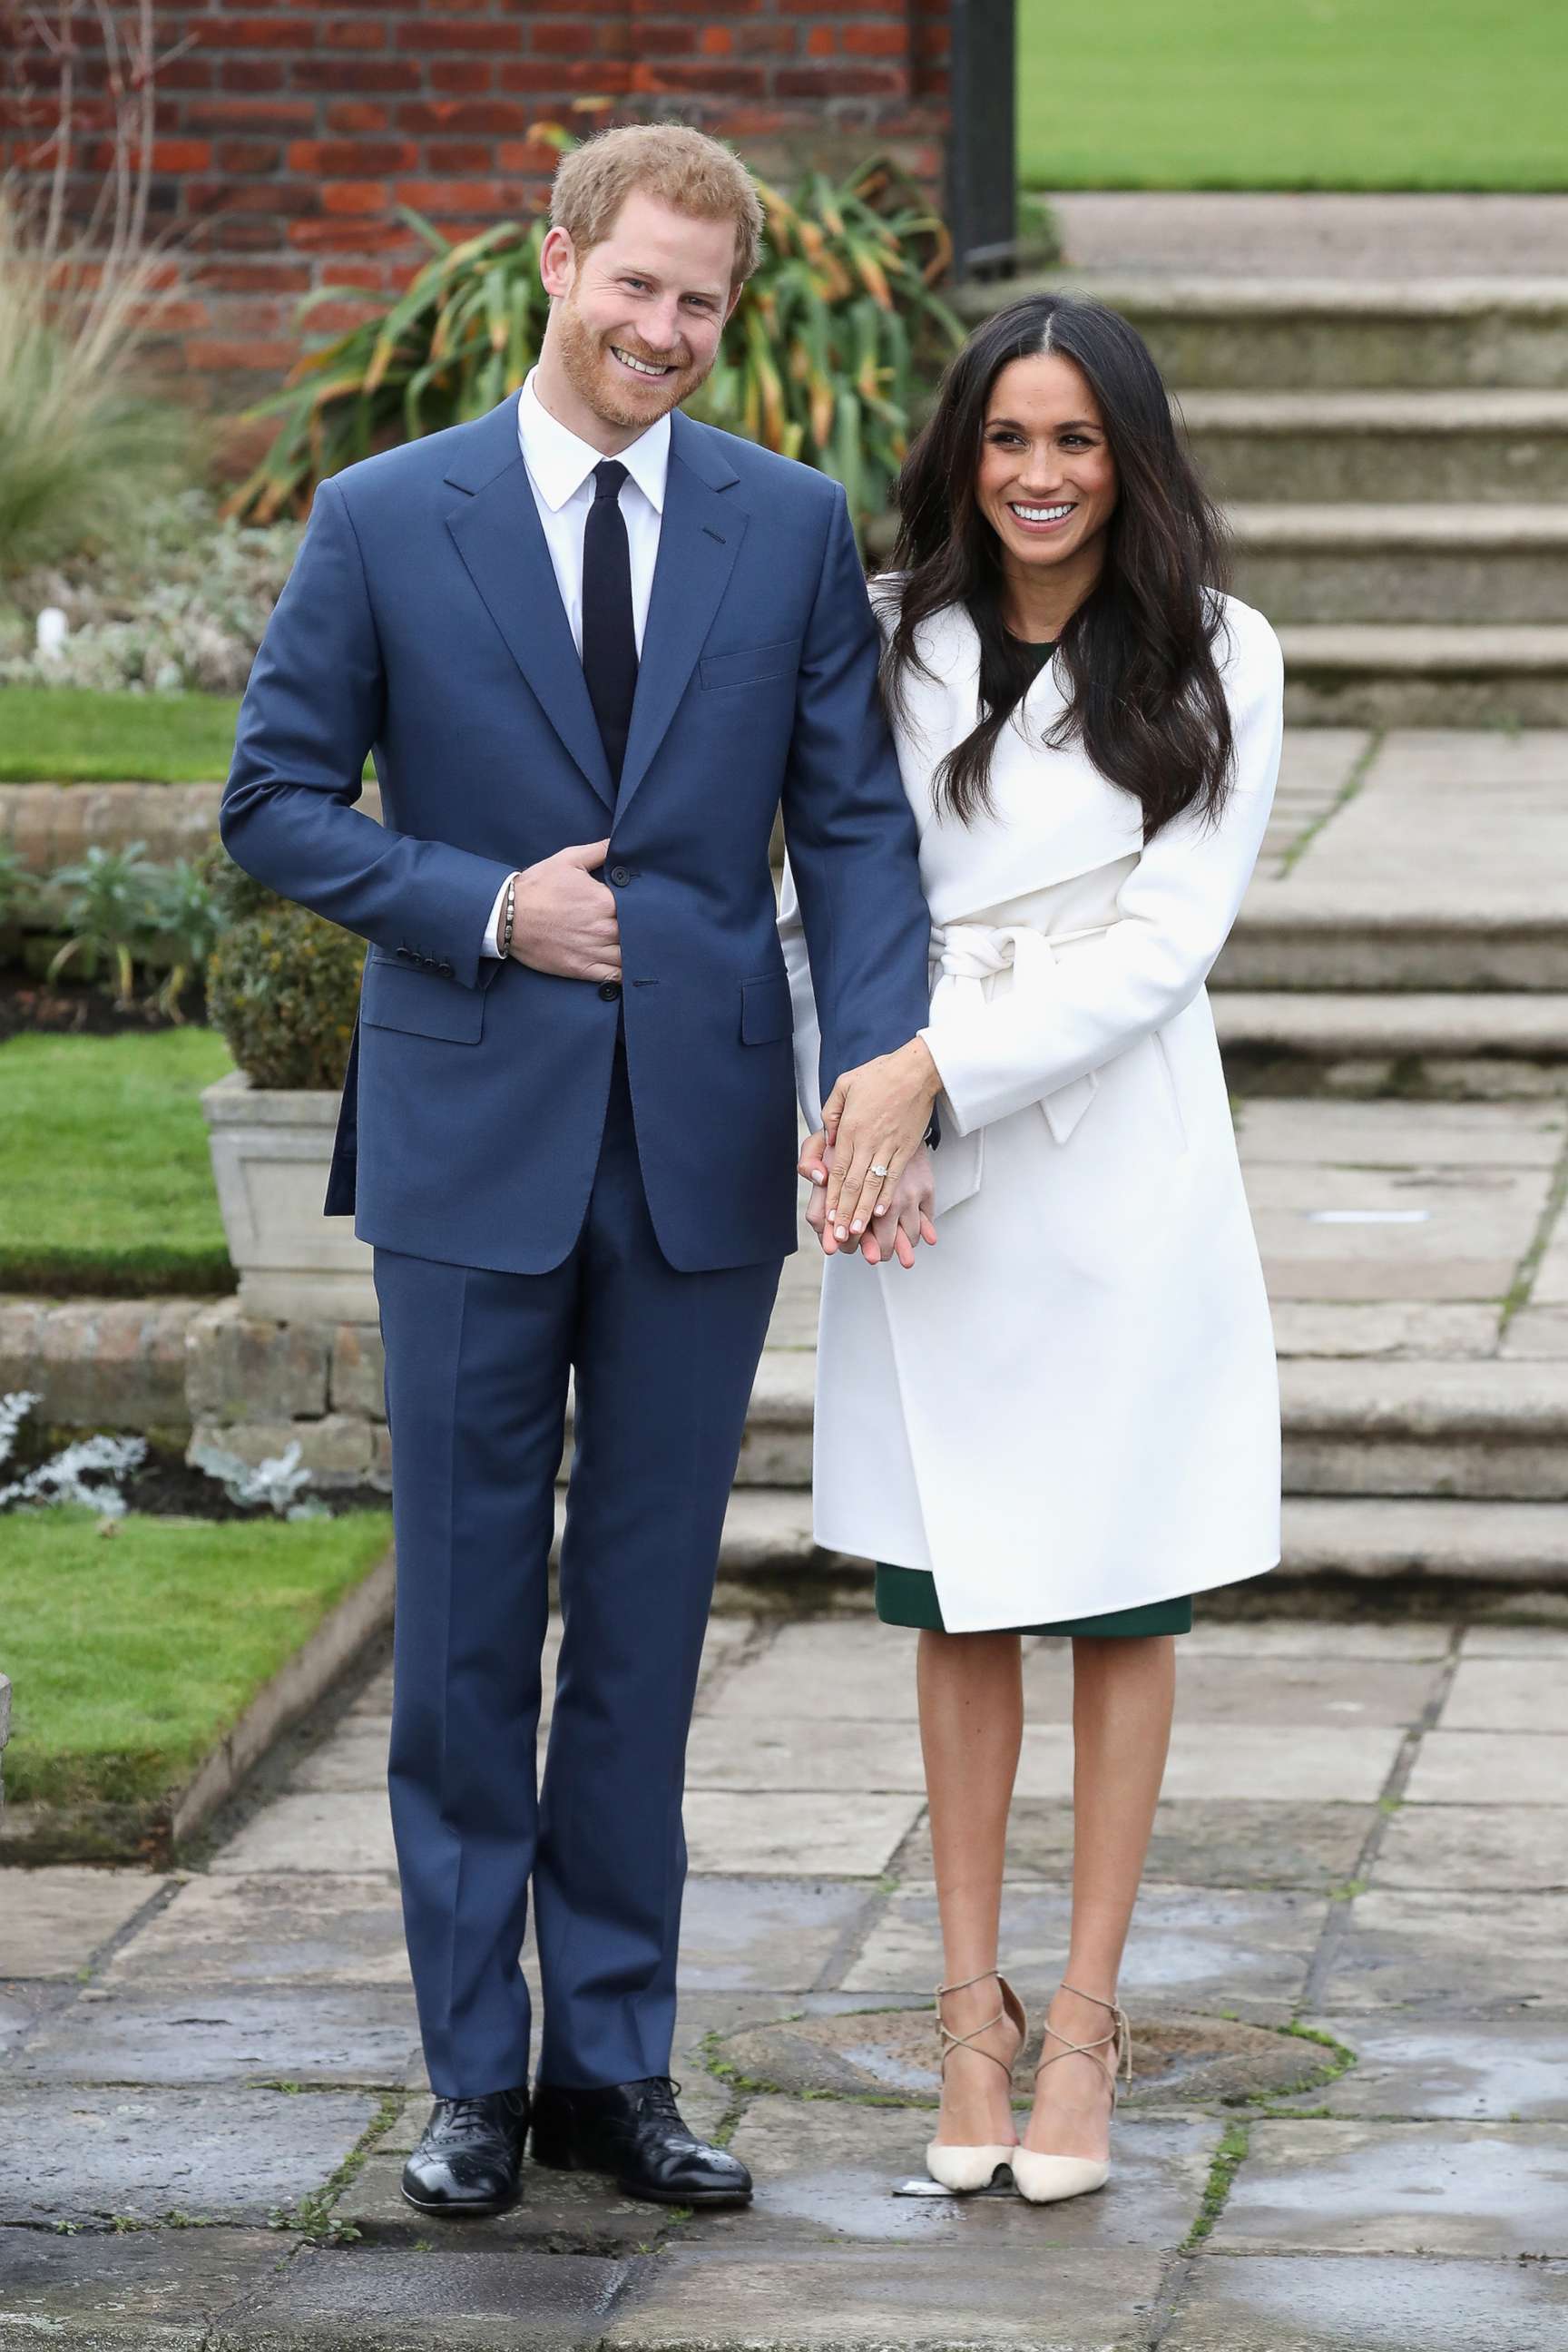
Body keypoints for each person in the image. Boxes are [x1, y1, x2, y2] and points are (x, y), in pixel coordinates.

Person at [220, 122, 937, 2217]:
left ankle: (611, 2068)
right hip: (466, 1138)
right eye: (636, 287)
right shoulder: (384, 517)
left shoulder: (788, 526)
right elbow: (272, 803)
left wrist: (882, 1060)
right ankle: (468, 2074)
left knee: (638, 1630)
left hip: (703, 1155)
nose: (668, 333)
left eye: (702, 303)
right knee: (458, 1630)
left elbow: (860, 827)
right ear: (557, 263)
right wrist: (479, 905)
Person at [781, 292, 1284, 2203]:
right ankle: (966, 2016)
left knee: (1122, 1584)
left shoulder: (1226, 654)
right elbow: (832, 880)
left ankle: (1085, 2029)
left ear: (1130, 454)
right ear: (963, 453)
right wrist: (857, 1110)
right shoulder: (888, 636)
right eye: (1010, 439)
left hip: (1115, 1169)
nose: (1042, 475)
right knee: (957, 1586)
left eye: (1077, 440)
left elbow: (1166, 946)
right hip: (917, 1168)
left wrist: (929, 1071)